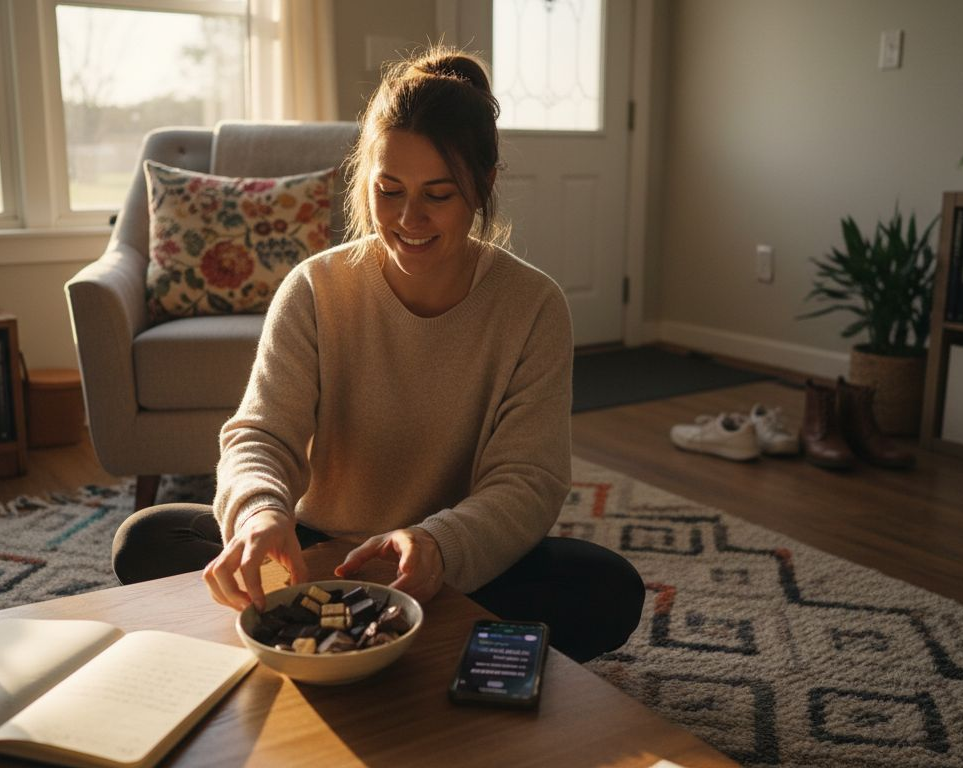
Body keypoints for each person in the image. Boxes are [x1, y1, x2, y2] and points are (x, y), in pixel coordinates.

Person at [112, 46, 644, 663]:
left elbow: (529, 479)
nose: (409, 219)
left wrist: (439, 546)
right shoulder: (316, 288)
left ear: (484, 185)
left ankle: (336, 621)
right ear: (365, 179)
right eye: (389, 190)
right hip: (315, 547)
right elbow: (261, 434)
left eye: (438, 195)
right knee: (147, 539)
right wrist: (260, 515)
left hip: (444, 557)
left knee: (607, 589)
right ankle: (408, 632)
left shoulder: (534, 305)